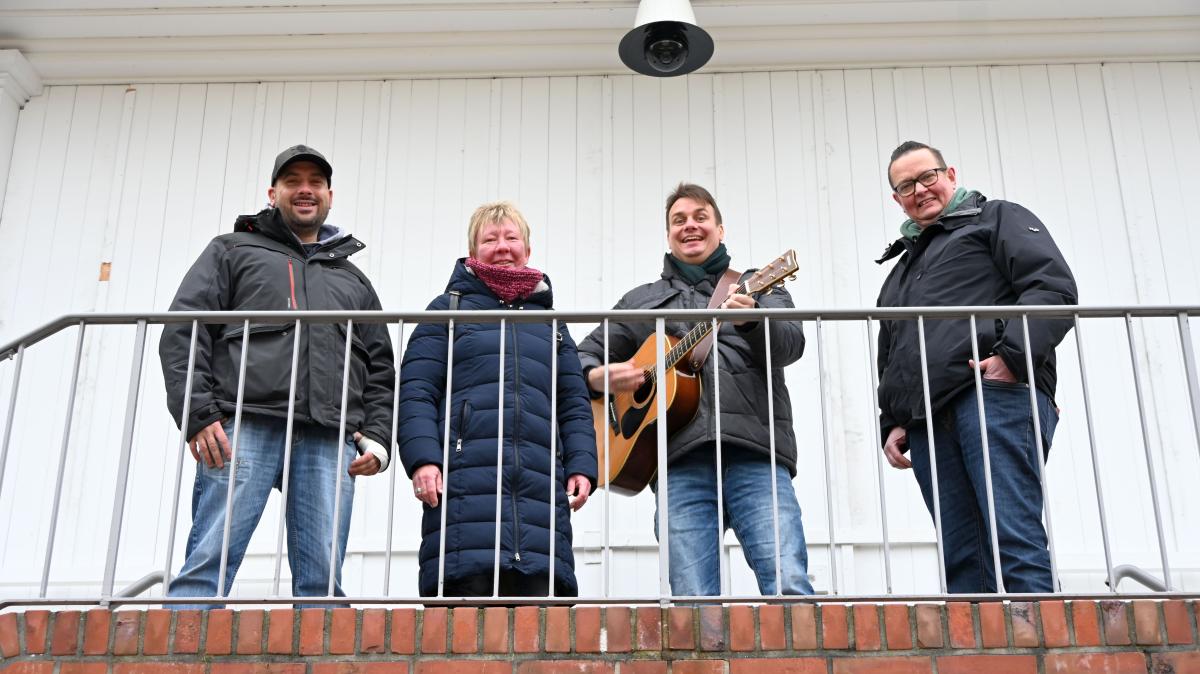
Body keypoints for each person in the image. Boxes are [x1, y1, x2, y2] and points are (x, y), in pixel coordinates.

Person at [159, 144, 395, 605]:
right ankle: (181, 638)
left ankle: (322, 653)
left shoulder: (353, 280)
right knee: (210, 556)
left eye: (315, 183)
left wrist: (379, 437)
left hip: (330, 433)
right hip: (242, 422)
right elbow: (184, 330)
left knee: (323, 582)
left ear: (329, 195)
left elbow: (381, 366)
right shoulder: (232, 250)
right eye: (293, 182)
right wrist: (198, 412)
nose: (305, 190)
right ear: (273, 192)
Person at [576, 183, 814, 597]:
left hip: (755, 451)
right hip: (676, 461)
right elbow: (584, 356)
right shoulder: (640, 301)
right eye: (679, 220)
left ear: (720, 229)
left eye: (700, 217)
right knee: (691, 599)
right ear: (668, 234)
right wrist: (596, 378)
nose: (690, 226)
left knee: (789, 583)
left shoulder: (760, 285)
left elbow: (791, 344)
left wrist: (754, 320)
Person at [875, 140, 1078, 593]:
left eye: (927, 176)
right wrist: (892, 421)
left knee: (1014, 536)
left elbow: (1053, 289)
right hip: (928, 420)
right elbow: (891, 353)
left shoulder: (995, 218)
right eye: (906, 185)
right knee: (963, 560)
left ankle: (1044, 650)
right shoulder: (901, 271)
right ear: (896, 199)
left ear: (950, 174)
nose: (920, 190)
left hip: (992, 396)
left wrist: (1012, 358)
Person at [397, 201, 597, 598]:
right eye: (490, 239)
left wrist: (582, 466)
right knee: (460, 637)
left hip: (541, 495)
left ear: (527, 249)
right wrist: (423, 460)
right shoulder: (446, 310)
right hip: (463, 491)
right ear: (473, 251)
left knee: (543, 635)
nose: (502, 247)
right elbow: (417, 391)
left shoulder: (551, 324)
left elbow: (574, 403)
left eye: (511, 238)